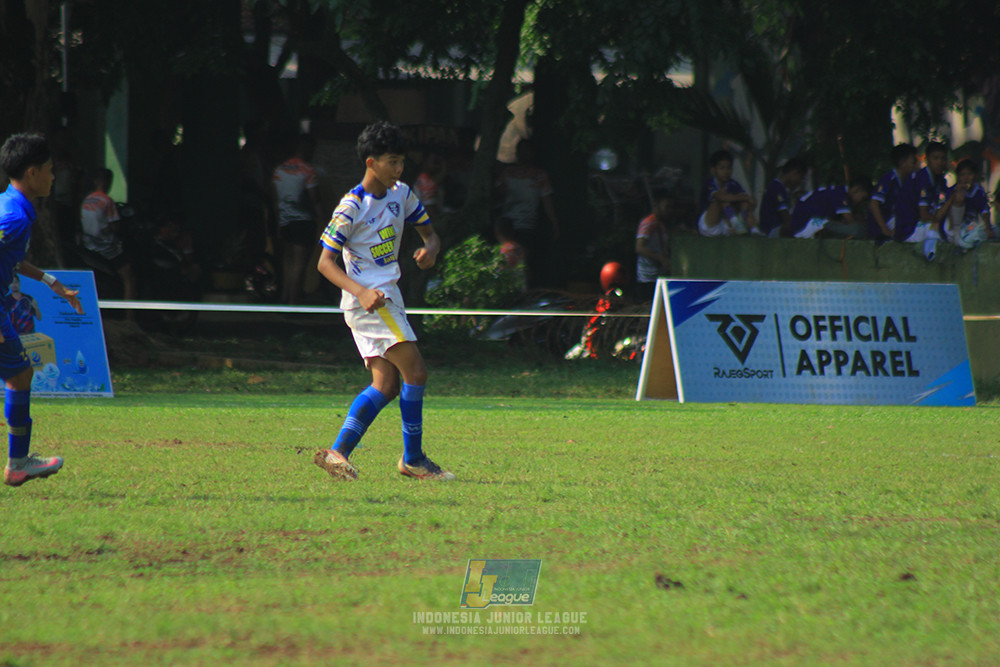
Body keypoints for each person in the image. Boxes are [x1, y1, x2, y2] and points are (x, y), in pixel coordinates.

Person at [314, 121, 454, 482]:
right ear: (371, 162)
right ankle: (414, 459)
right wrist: (361, 291)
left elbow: (430, 233)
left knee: (387, 386)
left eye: (402, 162)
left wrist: (431, 249)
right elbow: (324, 263)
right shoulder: (351, 207)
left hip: (387, 296)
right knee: (417, 371)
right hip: (370, 302)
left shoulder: (402, 194)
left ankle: (337, 452)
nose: (399, 169)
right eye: (392, 162)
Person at [0, 133, 84, 487]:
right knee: (19, 375)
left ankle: (18, 462)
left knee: (19, 375)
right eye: (50, 170)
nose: (54, 177)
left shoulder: (12, 206)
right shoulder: (13, 216)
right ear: (32, 173)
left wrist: (52, 283)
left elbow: (12, 260)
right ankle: (18, 464)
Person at [493, 138, 560, 287]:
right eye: (520, 150)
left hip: (527, 225)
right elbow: (497, 194)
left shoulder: (539, 175)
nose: (524, 154)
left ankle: (525, 290)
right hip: (507, 225)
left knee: (524, 261)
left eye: (527, 150)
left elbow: (546, 200)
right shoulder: (507, 173)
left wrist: (554, 222)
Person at [272, 133, 324, 304]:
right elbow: (315, 198)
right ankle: (294, 304)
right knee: (299, 264)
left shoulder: (279, 170)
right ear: (306, 149)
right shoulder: (307, 170)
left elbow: (275, 198)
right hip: (303, 221)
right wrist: (323, 220)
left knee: (287, 262)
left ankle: (284, 300)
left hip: (284, 221)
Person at [80, 168, 137, 313]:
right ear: (105, 182)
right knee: (128, 277)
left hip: (88, 246)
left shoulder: (86, 200)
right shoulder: (107, 200)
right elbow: (115, 226)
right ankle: (129, 317)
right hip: (106, 248)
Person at [894, 141, 952, 260]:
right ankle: (930, 253)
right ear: (927, 160)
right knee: (940, 226)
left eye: (943, 158)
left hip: (924, 224)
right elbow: (924, 215)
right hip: (909, 229)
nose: (940, 162)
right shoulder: (922, 178)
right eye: (935, 158)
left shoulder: (940, 180)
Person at [697, 149, 758, 236]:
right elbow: (721, 197)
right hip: (709, 224)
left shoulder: (733, 184)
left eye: (728, 168)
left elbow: (751, 200)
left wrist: (750, 213)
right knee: (721, 199)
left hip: (724, 223)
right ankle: (736, 223)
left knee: (744, 202)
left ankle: (746, 226)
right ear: (713, 170)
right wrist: (744, 197)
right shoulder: (709, 183)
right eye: (722, 168)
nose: (726, 172)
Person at [788, 178, 872, 239]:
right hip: (807, 226)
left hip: (803, 226)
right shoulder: (840, 194)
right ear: (856, 189)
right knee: (858, 229)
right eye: (863, 198)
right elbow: (851, 222)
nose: (861, 202)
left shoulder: (834, 191)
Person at [867, 144, 918, 241]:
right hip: (885, 222)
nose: (916, 165)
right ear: (902, 162)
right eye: (913, 162)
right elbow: (873, 204)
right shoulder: (889, 179)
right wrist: (885, 230)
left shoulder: (908, 182)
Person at [944, 158, 993, 249]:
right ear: (957, 176)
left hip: (970, 224)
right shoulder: (952, 190)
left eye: (969, 174)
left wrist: (988, 227)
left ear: (975, 175)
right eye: (962, 175)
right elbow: (946, 211)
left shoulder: (979, 191)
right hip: (954, 226)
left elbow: (984, 210)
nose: (966, 178)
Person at [634, 190, 673, 303]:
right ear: (657, 206)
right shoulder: (648, 223)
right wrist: (661, 259)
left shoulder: (661, 225)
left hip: (659, 275)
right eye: (667, 207)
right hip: (647, 278)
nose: (670, 210)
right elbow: (639, 247)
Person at [758, 158, 806, 237]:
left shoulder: (783, 190)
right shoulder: (776, 187)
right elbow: (784, 215)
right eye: (801, 178)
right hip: (770, 231)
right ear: (794, 173)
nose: (799, 183)